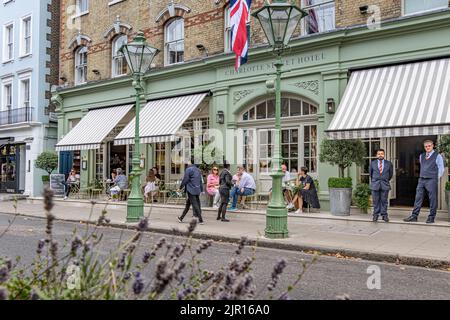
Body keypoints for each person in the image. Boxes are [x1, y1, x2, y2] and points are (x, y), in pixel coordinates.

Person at [404, 140, 445, 224]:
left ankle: (431, 217)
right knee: (418, 198)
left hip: (431, 180)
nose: (427, 148)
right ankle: (414, 216)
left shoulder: (438, 156)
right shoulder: (421, 156)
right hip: (421, 179)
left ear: (433, 146)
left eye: (429, 146)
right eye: (426, 146)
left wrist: (435, 178)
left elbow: (441, 169)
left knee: (432, 199)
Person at [370, 149, 393, 222]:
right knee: (375, 201)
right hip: (375, 184)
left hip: (385, 184)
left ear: (384, 155)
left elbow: (390, 174)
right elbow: (371, 174)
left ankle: (384, 215)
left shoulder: (389, 163)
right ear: (377, 155)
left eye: (382, 154)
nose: (380, 155)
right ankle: (375, 215)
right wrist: (375, 180)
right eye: (379, 154)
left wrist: (384, 179)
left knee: (384, 201)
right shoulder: (372, 163)